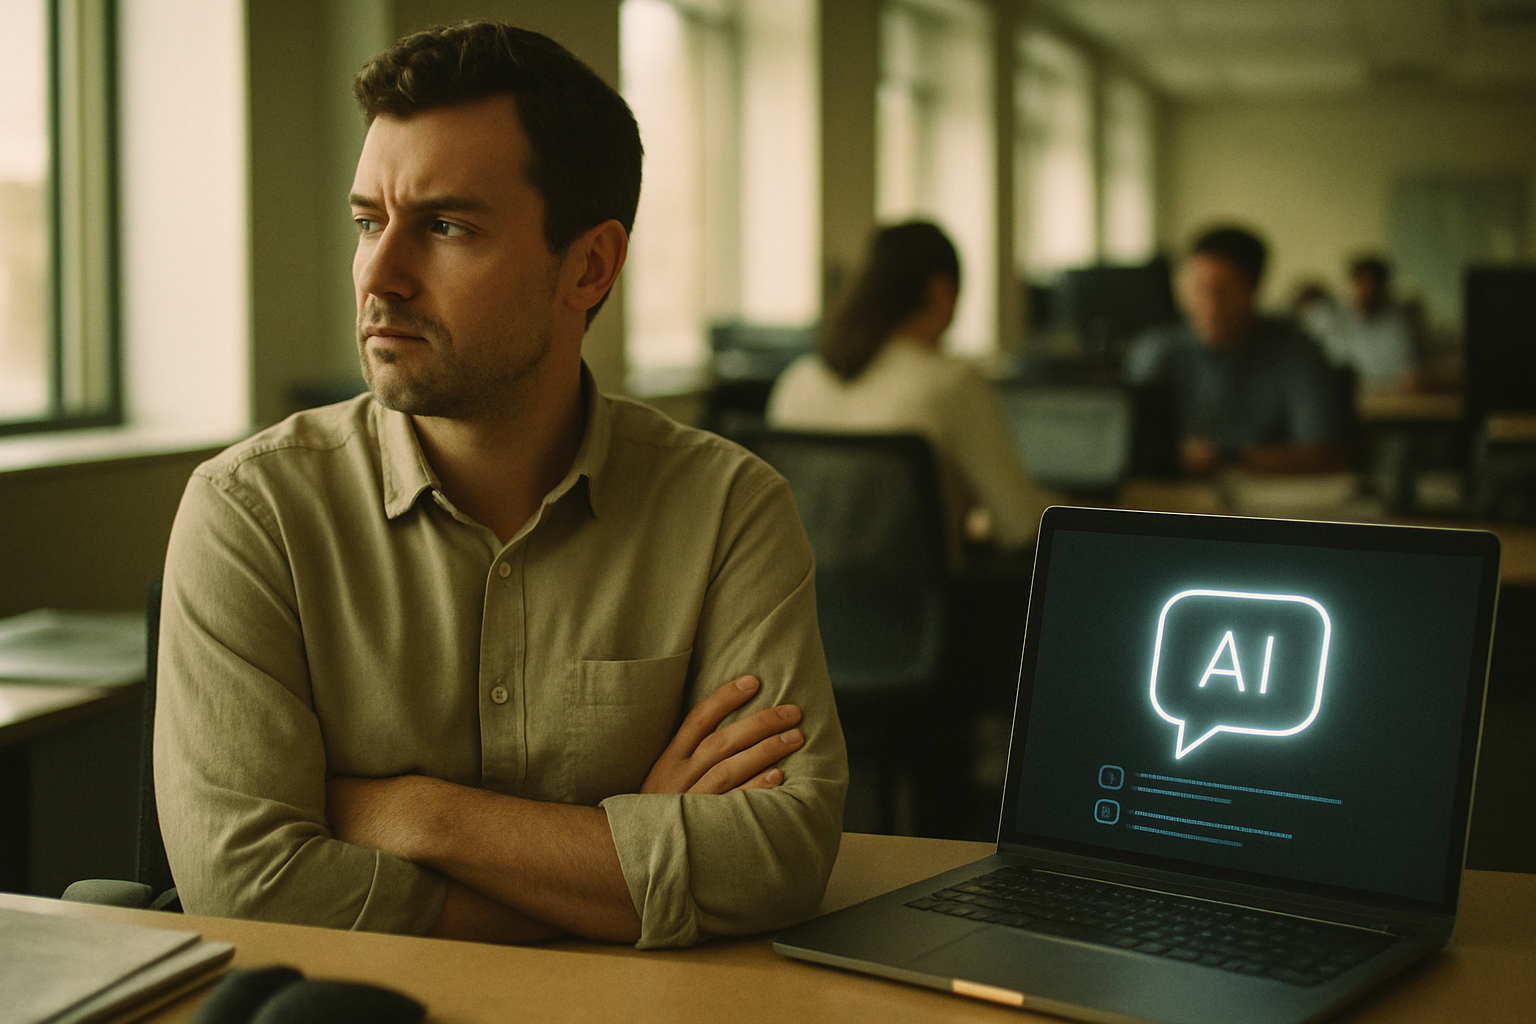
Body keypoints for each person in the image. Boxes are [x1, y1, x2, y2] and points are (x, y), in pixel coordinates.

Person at [153, 22, 846, 950]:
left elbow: (782, 853)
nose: (379, 276)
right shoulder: (251, 513)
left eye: (445, 226)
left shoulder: (727, 509)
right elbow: (247, 885)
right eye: (368, 222)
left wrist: (419, 816)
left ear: (589, 266)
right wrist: (622, 855)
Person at [766, 221, 1055, 562]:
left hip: (809, 609)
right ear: (941, 291)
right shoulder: (953, 383)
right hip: (922, 613)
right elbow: (1021, 526)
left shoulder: (798, 381)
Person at [1124, 226, 1347, 476]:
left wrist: (1226, 457)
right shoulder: (1156, 350)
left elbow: (1323, 454)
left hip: (1265, 503)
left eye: (1223, 290)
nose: (1210, 304)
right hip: (1172, 499)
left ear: (1254, 289)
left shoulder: (1296, 353)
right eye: (1199, 287)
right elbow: (1124, 442)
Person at [1305, 256, 1420, 393]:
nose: (1367, 290)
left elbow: (1406, 373)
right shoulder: (1325, 315)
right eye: (1362, 283)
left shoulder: (1398, 321)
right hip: (1331, 397)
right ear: (1352, 283)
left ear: (1383, 288)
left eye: (1373, 284)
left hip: (1385, 400)